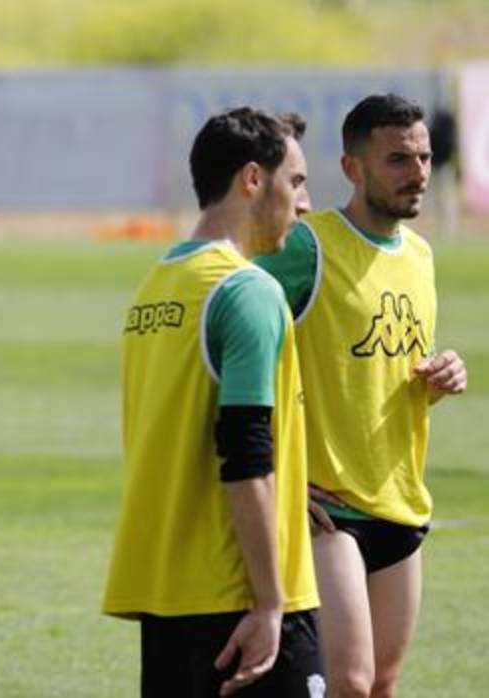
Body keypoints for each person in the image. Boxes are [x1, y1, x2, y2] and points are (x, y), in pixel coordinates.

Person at [103, 107, 323, 697]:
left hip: (169, 597)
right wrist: (271, 604)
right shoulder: (249, 291)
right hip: (241, 598)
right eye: (297, 182)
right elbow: (244, 453)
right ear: (253, 179)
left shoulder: (156, 286)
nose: (304, 204)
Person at [256, 94, 468, 698]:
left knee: (382, 682)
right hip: (330, 509)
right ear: (352, 167)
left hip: (401, 499)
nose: (419, 173)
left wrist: (440, 377)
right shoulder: (307, 248)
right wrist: (276, 471)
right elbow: (231, 334)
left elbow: (375, 371)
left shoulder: (421, 257)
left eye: (424, 157)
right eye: (398, 159)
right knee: (348, 682)